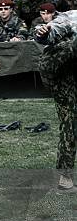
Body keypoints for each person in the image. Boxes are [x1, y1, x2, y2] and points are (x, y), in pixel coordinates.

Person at [34, 10, 77, 190]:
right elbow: (50, 32)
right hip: (62, 75)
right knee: (70, 126)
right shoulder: (70, 16)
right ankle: (65, 176)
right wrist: (44, 32)